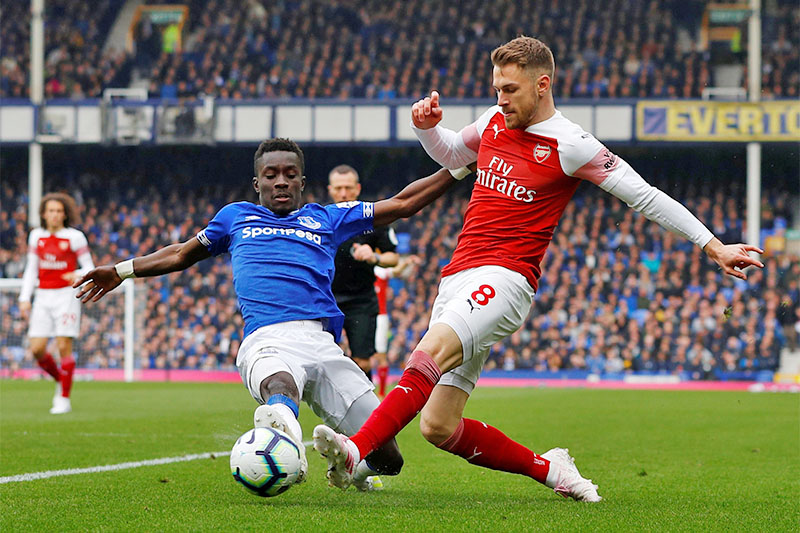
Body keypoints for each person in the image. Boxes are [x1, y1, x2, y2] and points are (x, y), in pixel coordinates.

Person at [312, 36, 765, 501]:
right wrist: (428, 129)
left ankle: (355, 450)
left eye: (509, 89)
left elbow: (644, 194)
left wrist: (711, 245)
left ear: (542, 85)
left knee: (426, 355)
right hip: (458, 276)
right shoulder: (493, 120)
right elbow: (452, 155)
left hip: (506, 279)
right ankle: (552, 470)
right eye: (496, 89)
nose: (500, 99)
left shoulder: (572, 144)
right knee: (438, 426)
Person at [74, 138, 468, 491]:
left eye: (290, 174)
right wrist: (122, 270)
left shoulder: (326, 218)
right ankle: (284, 438)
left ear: (302, 182)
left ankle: (349, 468)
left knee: (389, 458)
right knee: (281, 384)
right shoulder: (235, 217)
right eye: (271, 174)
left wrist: (464, 164)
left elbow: (402, 203)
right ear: (257, 183)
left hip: (324, 345)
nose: (281, 181)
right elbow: (180, 253)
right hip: (268, 338)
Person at [19, 192, 95, 414]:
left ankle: (63, 398)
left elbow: (89, 267)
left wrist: (76, 274)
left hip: (66, 296)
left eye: (59, 211)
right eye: (51, 211)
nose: (55, 215)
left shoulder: (75, 237)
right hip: (43, 296)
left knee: (63, 345)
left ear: (65, 214)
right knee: (36, 349)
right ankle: (63, 379)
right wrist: (25, 297)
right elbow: (32, 268)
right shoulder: (36, 236)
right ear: (43, 213)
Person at [328, 164, 399, 381]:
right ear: (330, 189)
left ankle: (364, 413)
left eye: (348, 187)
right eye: (338, 188)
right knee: (324, 361)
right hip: (326, 300)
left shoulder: (374, 218)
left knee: (363, 361)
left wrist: (375, 256)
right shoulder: (318, 220)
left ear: (357, 188)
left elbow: (393, 258)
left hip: (361, 301)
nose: (343, 193)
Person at [374, 255, 421, 398]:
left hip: (379, 317)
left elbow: (396, 271)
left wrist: (407, 261)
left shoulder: (378, 271)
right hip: (362, 316)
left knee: (381, 355)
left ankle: (381, 393)